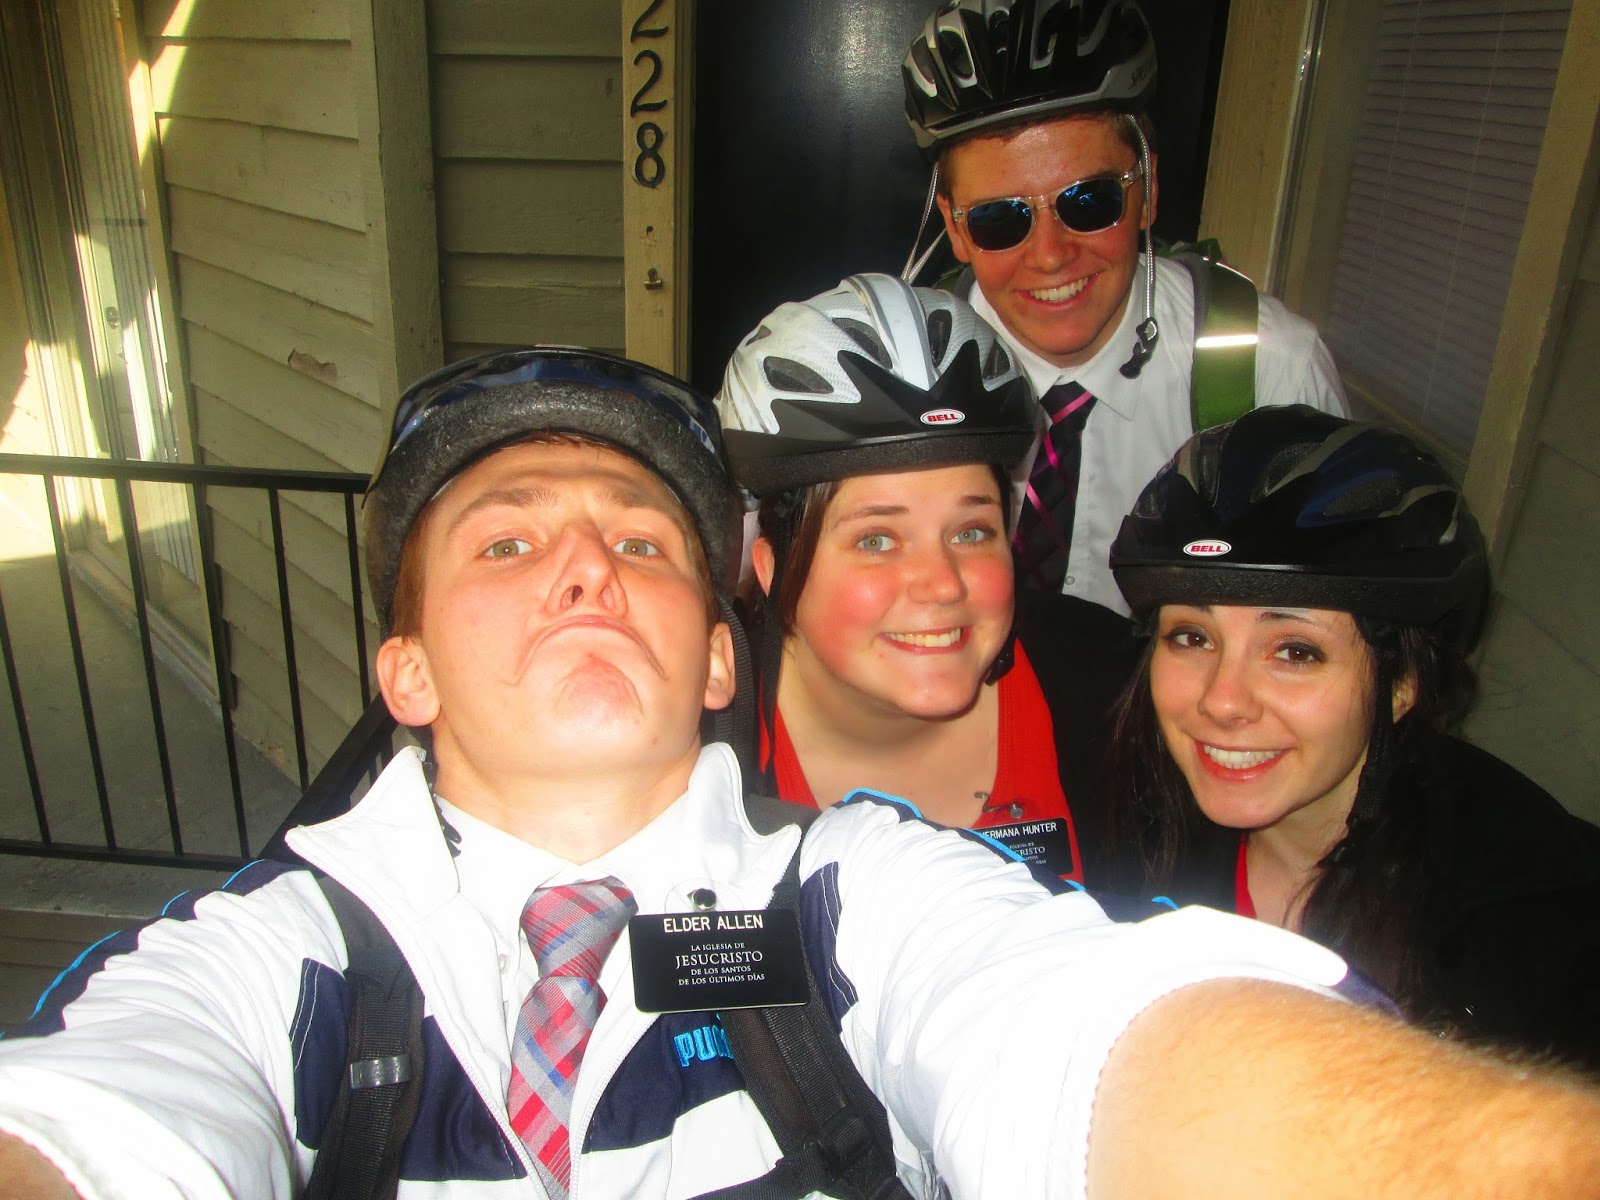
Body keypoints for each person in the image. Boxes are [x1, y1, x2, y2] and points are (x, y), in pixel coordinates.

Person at [2, 352, 1600, 1200]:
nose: (583, 568)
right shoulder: (260, 959)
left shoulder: (862, 894)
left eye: (641, 544)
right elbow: (112, 1111)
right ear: (402, 673)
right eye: (504, 545)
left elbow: (1075, 1029)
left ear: (719, 654)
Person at [1105, 403, 1600, 1069]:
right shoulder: (1133, 812)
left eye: (1295, 651)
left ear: (1403, 683)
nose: (1222, 701)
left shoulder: (1539, 934)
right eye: (1192, 637)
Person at [900, 0, 1348, 615]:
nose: (1051, 256)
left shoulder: (1270, 375)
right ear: (954, 228)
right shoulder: (901, 371)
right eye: (999, 219)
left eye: (1090, 200)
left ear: (1150, 189)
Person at [717, 273, 1137, 881]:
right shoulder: (702, 746)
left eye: (971, 532)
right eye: (877, 540)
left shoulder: (1112, 696)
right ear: (773, 570)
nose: (942, 584)